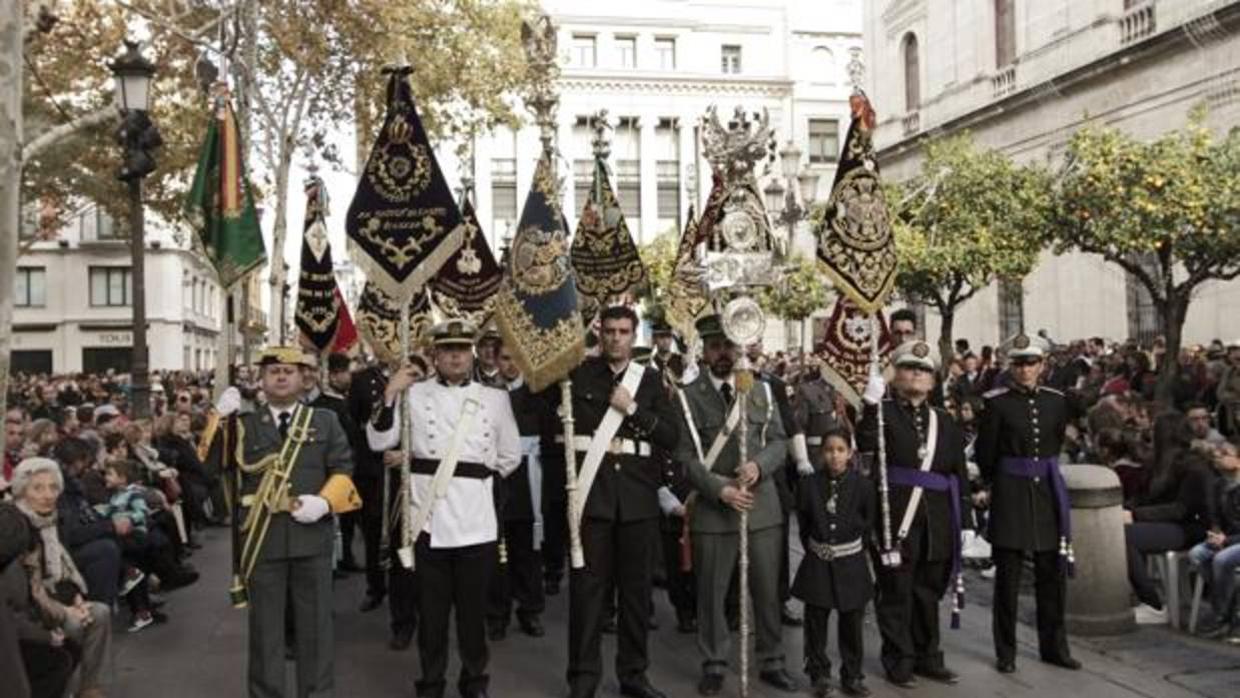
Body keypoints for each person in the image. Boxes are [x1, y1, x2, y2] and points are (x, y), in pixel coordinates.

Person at [368, 320, 520, 698]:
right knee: (432, 616)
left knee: (472, 616)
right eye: (447, 349)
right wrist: (390, 393)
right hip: (427, 520)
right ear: (435, 354)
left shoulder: (496, 399)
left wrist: (476, 481)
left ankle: (474, 681)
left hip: (476, 520)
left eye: (462, 349)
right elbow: (379, 439)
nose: (455, 356)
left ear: (471, 353)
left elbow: (510, 456)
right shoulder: (414, 395)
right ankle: (431, 682)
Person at [549, 305, 679, 698]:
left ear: (634, 334)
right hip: (594, 499)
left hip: (637, 501)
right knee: (587, 595)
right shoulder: (577, 375)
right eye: (609, 331)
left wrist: (633, 409)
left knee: (636, 596)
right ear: (599, 334)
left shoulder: (653, 381)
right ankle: (583, 678)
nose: (616, 338)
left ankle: (634, 676)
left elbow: (671, 438)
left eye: (623, 331)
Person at [675, 314, 798, 696]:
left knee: (766, 591)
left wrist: (759, 466)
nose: (723, 353)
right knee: (712, 593)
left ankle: (772, 660)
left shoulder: (759, 391)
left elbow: (780, 440)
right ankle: (714, 662)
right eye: (715, 346)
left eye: (729, 345)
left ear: (739, 347)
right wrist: (719, 489)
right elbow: (685, 457)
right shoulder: (686, 395)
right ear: (704, 351)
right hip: (715, 510)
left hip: (761, 508)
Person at [224, 346, 356, 698]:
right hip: (263, 540)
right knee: (266, 631)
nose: (281, 377)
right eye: (273, 371)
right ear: (261, 380)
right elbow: (216, 473)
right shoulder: (242, 426)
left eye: (289, 371)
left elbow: (344, 468)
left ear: (304, 377)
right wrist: (215, 420)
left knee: (315, 629)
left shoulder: (324, 421)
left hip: (311, 538)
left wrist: (325, 502)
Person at [858, 340, 969, 688]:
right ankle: (899, 659)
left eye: (924, 371)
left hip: (936, 520)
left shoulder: (944, 421)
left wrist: (964, 520)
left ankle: (928, 656)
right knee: (896, 592)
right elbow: (864, 447)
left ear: (933, 381)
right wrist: (868, 405)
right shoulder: (882, 414)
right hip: (896, 517)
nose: (917, 375)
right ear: (895, 375)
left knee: (928, 592)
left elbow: (958, 472)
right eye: (909, 368)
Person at [975, 334, 1081, 674]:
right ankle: (1006, 651)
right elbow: (986, 454)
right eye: (1018, 364)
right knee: (1008, 578)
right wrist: (995, 485)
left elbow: (1054, 440)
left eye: (1031, 363)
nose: (1024, 370)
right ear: (1010, 367)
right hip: (1011, 491)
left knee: (1051, 576)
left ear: (1042, 366)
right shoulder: (996, 402)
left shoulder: (1056, 400)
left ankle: (1055, 647)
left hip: (1047, 491)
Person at [12, 458, 112, 698]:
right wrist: (66, 611)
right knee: (77, 624)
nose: (48, 495)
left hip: (54, 597)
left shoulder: (53, 521)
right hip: (26, 610)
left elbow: (63, 572)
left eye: (53, 487)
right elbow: (28, 591)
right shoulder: (16, 528)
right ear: (22, 492)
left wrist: (75, 597)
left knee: (100, 612)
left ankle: (88, 687)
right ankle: (61, 688)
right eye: (38, 488)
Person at [792, 427, 875, 698]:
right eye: (829, 450)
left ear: (850, 453)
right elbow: (804, 525)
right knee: (815, 621)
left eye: (840, 450)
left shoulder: (863, 485)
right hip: (818, 562)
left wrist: (847, 548)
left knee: (851, 622)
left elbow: (867, 522)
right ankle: (819, 674)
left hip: (851, 563)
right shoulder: (809, 485)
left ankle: (852, 675)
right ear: (821, 453)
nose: (834, 456)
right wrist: (819, 549)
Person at [486, 342, 548, 640]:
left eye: (516, 359)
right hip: (495, 479)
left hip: (527, 479)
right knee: (497, 552)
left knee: (528, 550)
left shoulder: (537, 394)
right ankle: (497, 613)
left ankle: (530, 610)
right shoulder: (486, 395)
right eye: (505, 359)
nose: (511, 365)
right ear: (496, 360)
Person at [1188, 442, 1240, 638]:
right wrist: (1215, 533)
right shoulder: (1219, 486)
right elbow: (1215, 517)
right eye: (1217, 453)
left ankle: (1220, 615)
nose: (1218, 455)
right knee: (1197, 554)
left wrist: (1225, 540)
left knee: (1222, 559)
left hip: (1234, 541)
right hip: (1227, 539)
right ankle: (1230, 606)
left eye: (1225, 453)